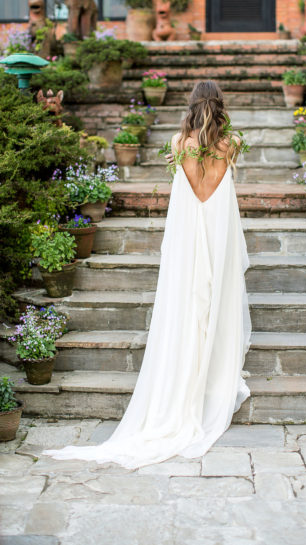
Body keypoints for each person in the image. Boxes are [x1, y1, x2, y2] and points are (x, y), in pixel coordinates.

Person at [43, 80, 252, 469]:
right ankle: (212, 377)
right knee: (215, 305)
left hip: (189, 242)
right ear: (221, 107)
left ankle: (184, 381)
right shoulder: (232, 144)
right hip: (217, 239)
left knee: (186, 308)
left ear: (190, 106)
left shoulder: (178, 144)